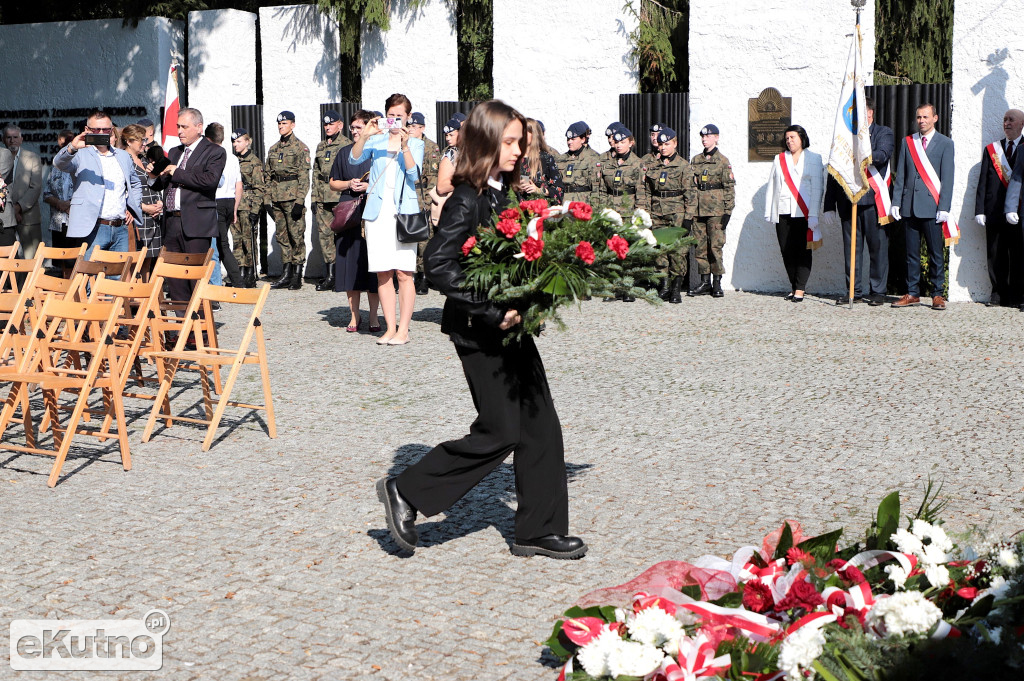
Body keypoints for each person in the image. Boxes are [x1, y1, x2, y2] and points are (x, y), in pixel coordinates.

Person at [376, 99, 587, 560]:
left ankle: (538, 529)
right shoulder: (469, 196)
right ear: (487, 142)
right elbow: (439, 264)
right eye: (509, 142)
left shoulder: (500, 193)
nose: (518, 150)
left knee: (542, 427)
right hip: (479, 328)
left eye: (520, 141)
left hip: (510, 325)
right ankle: (407, 491)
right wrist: (494, 309)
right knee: (501, 431)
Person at [349, 93, 424, 346]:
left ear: (408, 117)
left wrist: (404, 145)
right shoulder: (377, 140)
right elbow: (354, 158)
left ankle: (404, 329)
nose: (394, 120)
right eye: (390, 115)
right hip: (377, 213)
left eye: (399, 116)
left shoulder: (416, 143)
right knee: (383, 273)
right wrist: (366, 134)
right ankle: (390, 327)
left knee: (404, 273)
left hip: (403, 213)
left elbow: (415, 176)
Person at [150, 107, 226, 304]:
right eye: (178, 126)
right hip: (171, 222)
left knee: (195, 279)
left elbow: (210, 180)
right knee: (175, 280)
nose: (180, 131)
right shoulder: (175, 152)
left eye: (184, 126)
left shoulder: (215, 152)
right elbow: (163, 183)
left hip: (196, 224)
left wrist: (177, 173)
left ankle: (200, 328)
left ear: (199, 127)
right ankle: (181, 328)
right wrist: (153, 176)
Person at [823, 99, 895, 307]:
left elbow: (882, 155)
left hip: (873, 201)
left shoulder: (884, 132)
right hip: (848, 200)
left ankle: (878, 291)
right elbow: (833, 170)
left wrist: (860, 151)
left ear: (871, 114)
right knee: (851, 250)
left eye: (862, 115)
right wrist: (829, 205)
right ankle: (853, 290)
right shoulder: (844, 137)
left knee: (877, 249)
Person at [890, 103, 954, 310]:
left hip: (933, 206)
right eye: (918, 117)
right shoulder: (908, 142)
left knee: (936, 253)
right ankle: (913, 292)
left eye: (925, 117)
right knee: (911, 253)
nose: (921, 121)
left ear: (935, 118)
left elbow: (948, 178)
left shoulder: (945, 143)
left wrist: (944, 206)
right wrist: (896, 202)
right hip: (909, 206)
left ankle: (937, 294)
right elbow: (901, 175)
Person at [52, 110, 142, 256]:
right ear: (87, 130)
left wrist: (132, 208)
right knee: (89, 275)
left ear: (111, 130)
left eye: (106, 129)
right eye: (96, 129)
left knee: (117, 276)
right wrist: (72, 147)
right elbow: (58, 163)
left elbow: (135, 183)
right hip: (93, 227)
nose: (101, 133)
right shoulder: (80, 154)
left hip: (120, 228)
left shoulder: (123, 156)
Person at [329, 110, 380, 333]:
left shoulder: (377, 152)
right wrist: (348, 184)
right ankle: (354, 315)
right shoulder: (344, 153)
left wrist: (368, 187)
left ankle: (374, 316)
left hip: (372, 209)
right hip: (349, 212)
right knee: (350, 267)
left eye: (359, 127)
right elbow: (332, 182)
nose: (355, 131)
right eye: (353, 128)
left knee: (373, 267)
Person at [764, 124, 823, 303]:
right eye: (787, 138)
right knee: (786, 250)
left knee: (803, 250)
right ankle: (793, 285)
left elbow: (817, 187)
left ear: (802, 138)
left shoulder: (814, 158)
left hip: (804, 212)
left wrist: (814, 214)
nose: (789, 141)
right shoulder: (779, 158)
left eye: (793, 138)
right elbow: (772, 186)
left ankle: (800, 288)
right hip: (783, 211)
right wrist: (769, 210)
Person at [975, 109, 1023, 307]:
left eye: (1011, 120)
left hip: (1018, 212)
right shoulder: (992, 149)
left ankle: (1017, 295)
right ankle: (998, 292)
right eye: (1004, 120)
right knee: (995, 253)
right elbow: (983, 181)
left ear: (1022, 124)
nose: (1007, 123)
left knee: (1018, 254)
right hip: (994, 210)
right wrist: (979, 210)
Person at [642, 127, 693, 303]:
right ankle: (664, 287)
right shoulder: (653, 166)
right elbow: (647, 191)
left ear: (675, 143)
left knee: (677, 252)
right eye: (661, 144)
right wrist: (646, 213)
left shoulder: (683, 166)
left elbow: (690, 194)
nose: (663, 148)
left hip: (676, 213)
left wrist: (688, 218)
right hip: (657, 212)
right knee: (659, 251)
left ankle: (676, 289)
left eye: (667, 144)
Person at [688, 124, 736, 299]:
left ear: (716, 138)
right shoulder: (696, 160)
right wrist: (690, 209)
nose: (704, 139)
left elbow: (729, 188)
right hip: (698, 210)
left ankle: (717, 283)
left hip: (716, 211)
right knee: (700, 247)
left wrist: (727, 212)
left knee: (715, 247)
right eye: (702, 136)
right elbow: (691, 185)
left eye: (708, 136)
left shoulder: (723, 161)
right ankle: (704, 282)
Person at [266, 111, 311, 290]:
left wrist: (300, 201)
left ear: (292, 125)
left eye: (284, 123)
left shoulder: (301, 147)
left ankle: (297, 274)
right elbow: (268, 176)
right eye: (279, 124)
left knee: (296, 236)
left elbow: (303, 177)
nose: (281, 126)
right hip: (277, 199)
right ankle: (286, 273)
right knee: (282, 237)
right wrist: (267, 200)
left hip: (293, 199)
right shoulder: (273, 149)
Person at [313, 110, 352, 292]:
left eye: (331, 123)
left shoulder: (347, 145)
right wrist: (314, 197)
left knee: (343, 236)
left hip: (340, 196)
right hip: (323, 197)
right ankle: (330, 275)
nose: (327, 127)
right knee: (325, 236)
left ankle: (345, 273)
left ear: (340, 125)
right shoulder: (321, 146)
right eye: (325, 124)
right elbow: (315, 174)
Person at [119, 124, 164, 275]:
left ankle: (147, 294)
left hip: (153, 217)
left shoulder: (144, 160)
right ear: (129, 141)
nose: (145, 143)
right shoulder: (122, 160)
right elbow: (123, 191)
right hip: (137, 217)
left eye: (145, 139)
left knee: (149, 259)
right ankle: (134, 294)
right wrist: (144, 207)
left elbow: (153, 184)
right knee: (136, 261)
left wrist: (159, 203)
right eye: (141, 140)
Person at [206, 123, 244, 287]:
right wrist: (235, 208)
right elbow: (239, 185)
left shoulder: (212, 155)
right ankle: (229, 279)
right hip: (229, 201)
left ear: (208, 139)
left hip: (217, 201)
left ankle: (237, 280)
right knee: (221, 243)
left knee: (221, 244)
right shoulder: (233, 157)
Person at [232, 128, 269, 287]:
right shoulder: (233, 161)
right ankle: (240, 270)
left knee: (249, 240)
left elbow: (260, 188)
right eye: (234, 141)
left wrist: (255, 210)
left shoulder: (254, 161)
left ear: (247, 142)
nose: (235, 144)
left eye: (239, 141)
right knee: (236, 239)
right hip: (235, 205)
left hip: (248, 205)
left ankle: (250, 272)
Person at [409, 111, 440, 295]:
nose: (411, 129)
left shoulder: (431, 148)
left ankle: (424, 277)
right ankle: (410, 275)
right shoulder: (406, 145)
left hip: (423, 196)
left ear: (422, 128)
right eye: (410, 126)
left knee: (424, 239)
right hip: (408, 196)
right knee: (408, 236)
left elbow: (433, 179)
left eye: (414, 126)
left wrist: (428, 203)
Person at [3, 124, 43, 258]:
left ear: (21, 139)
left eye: (15, 137)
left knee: (32, 258)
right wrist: (10, 209)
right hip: (4, 217)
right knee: (6, 258)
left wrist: (18, 207)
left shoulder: (33, 158)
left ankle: (32, 280)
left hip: (28, 215)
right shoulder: (1, 157)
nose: (12, 140)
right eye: (8, 137)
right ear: (3, 139)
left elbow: (35, 187)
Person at [42, 130, 77, 264]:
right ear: (58, 142)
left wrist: (69, 203)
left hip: (75, 221)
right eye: (63, 140)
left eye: (69, 140)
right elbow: (46, 193)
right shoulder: (55, 166)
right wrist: (59, 203)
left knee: (74, 261)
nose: (66, 143)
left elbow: (86, 190)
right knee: (60, 262)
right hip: (58, 222)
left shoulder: (80, 163)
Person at [555, 121, 601, 206]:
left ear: (583, 139)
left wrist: (594, 209)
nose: (569, 142)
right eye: (568, 139)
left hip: (582, 203)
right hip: (564, 203)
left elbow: (596, 188)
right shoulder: (561, 158)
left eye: (573, 139)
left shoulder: (592, 158)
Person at [520, 118, 564, 203]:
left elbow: (559, 190)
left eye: (525, 131)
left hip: (541, 209)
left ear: (534, 134)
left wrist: (539, 190)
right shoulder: (515, 157)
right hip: (520, 209)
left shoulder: (545, 158)